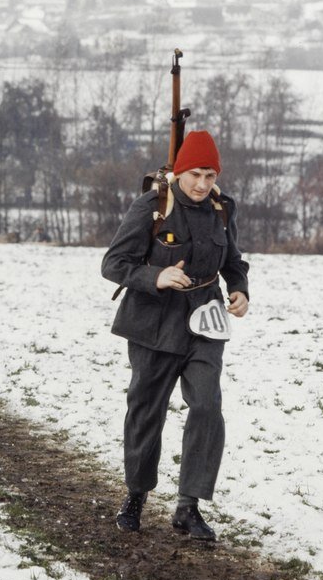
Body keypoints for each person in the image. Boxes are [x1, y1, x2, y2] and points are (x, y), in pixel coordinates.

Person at [101, 130, 249, 541]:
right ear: (180, 171)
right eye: (196, 174)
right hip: (152, 323)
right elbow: (113, 263)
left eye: (210, 175)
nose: (202, 184)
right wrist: (156, 275)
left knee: (207, 406)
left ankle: (189, 506)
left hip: (204, 320)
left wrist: (239, 289)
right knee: (146, 410)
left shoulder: (222, 209)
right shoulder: (152, 206)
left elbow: (233, 260)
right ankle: (136, 494)